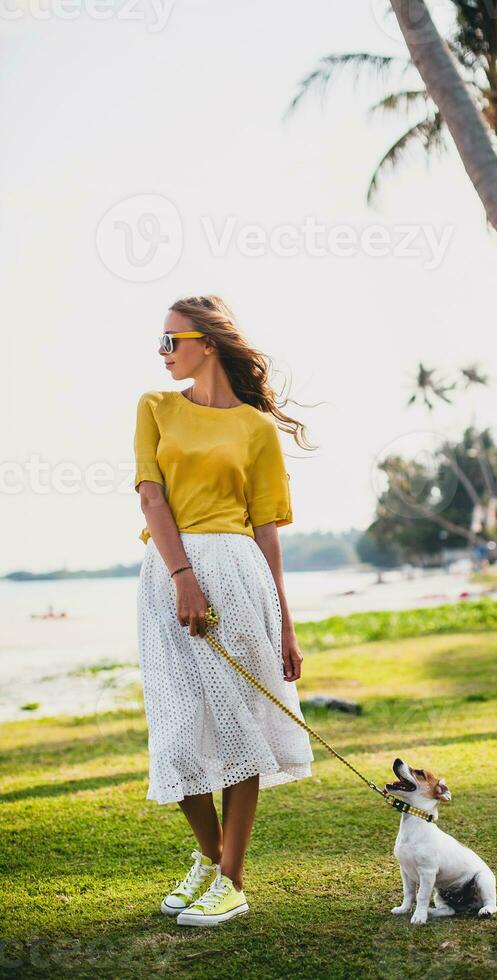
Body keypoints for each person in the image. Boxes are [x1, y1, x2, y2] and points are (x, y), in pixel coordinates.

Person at [134, 294, 316, 927]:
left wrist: (286, 624)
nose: (163, 353)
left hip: (241, 576)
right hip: (168, 574)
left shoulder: (256, 429)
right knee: (178, 726)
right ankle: (213, 862)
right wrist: (183, 575)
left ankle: (230, 881)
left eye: (171, 341)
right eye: (160, 342)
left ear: (205, 343)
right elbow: (152, 500)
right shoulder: (155, 408)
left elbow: (267, 532)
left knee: (240, 723)